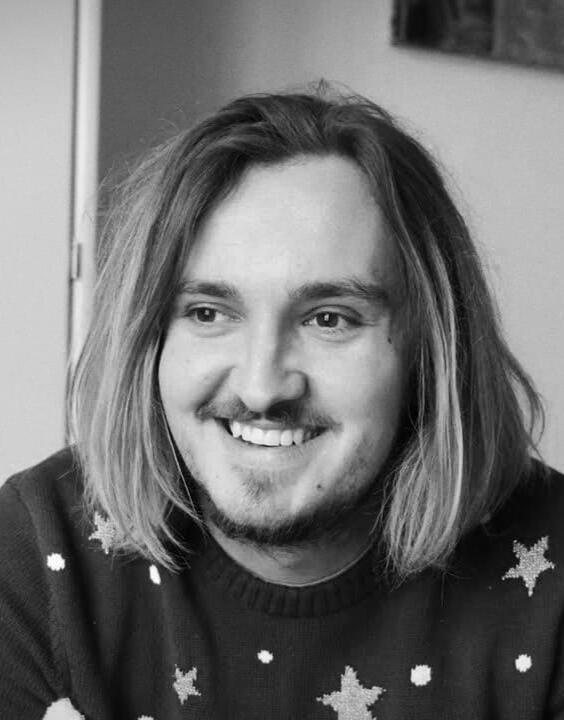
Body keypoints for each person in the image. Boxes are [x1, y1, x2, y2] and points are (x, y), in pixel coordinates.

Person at [1, 84, 562, 720]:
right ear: (148, 338)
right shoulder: (36, 553)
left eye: (330, 318)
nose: (262, 387)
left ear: (431, 349)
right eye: (209, 313)